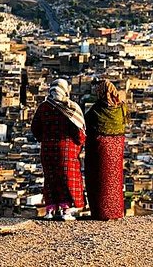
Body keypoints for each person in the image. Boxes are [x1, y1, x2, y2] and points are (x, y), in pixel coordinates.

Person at [31, 78, 86, 220]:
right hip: (66, 150)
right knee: (67, 179)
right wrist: (79, 144)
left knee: (50, 178)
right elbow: (79, 132)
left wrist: (44, 139)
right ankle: (65, 211)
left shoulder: (43, 107)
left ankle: (50, 210)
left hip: (47, 150)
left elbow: (35, 128)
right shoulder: (70, 107)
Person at [84, 79, 127, 221]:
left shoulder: (97, 110)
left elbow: (86, 125)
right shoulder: (121, 108)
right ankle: (115, 211)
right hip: (117, 147)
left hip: (101, 148)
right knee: (114, 179)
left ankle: (101, 212)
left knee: (99, 178)